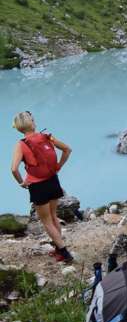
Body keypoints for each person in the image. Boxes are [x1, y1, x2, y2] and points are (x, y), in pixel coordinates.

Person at [10, 111, 74, 263]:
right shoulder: (47, 136)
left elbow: (14, 169)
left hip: (38, 186)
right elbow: (67, 149)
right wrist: (59, 166)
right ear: (32, 123)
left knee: (46, 221)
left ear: (19, 128)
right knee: (53, 217)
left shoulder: (21, 145)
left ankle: (65, 253)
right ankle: (59, 249)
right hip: (53, 180)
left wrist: (22, 182)